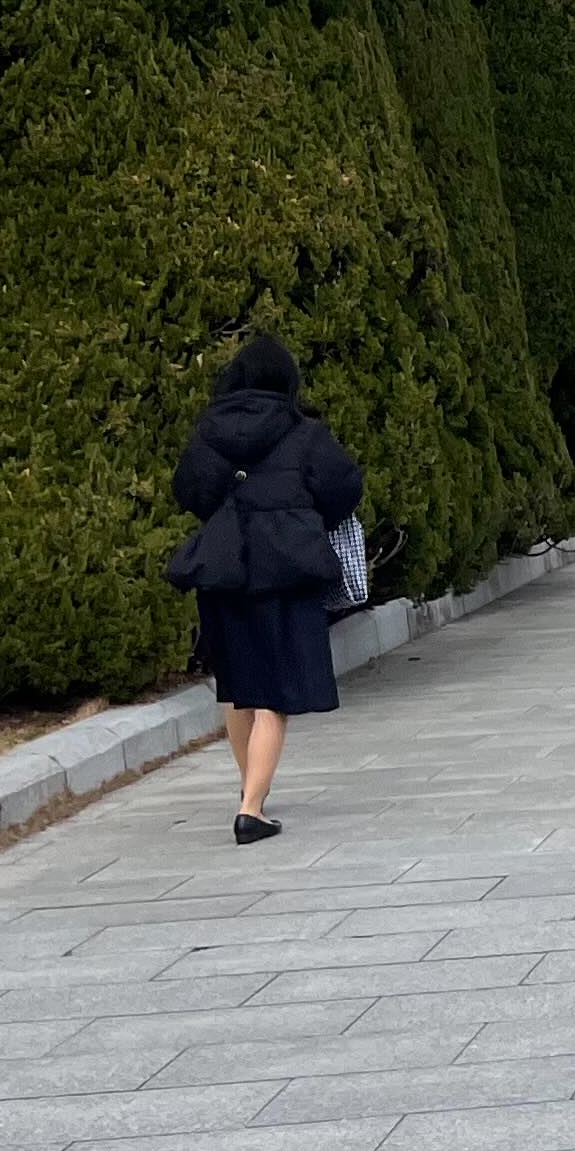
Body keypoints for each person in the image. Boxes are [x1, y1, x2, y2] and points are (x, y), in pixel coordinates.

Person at [171, 334, 361, 846]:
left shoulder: (209, 431)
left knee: (239, 690)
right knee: (275, 696)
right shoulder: (305, 432)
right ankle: (252, 809)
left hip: (224, 568)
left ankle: (248, 788)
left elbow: (188, 490)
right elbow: (344, 489)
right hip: (288, 569)